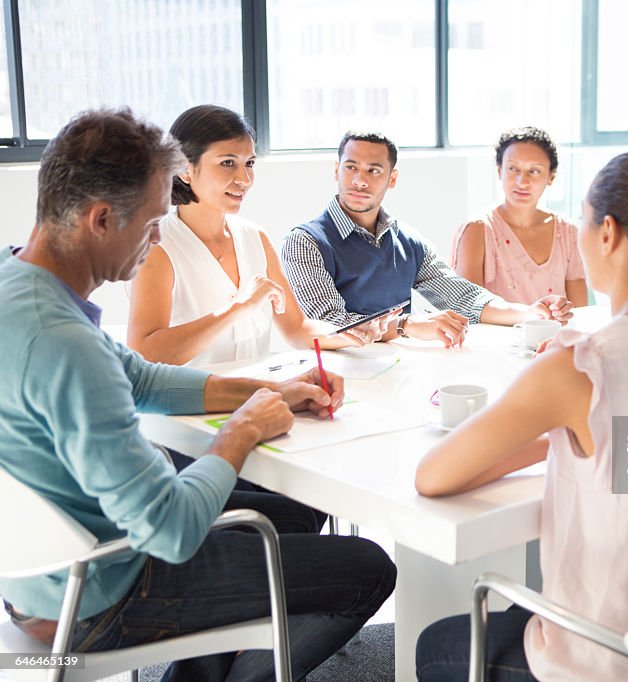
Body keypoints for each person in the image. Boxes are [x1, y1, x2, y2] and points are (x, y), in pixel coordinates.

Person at [0, 108, 396, 681]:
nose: (160, 237)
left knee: (294, 512)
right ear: (102, 219)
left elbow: (144, 378)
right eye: (153, 221)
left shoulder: (20, 284)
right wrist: (241, 434)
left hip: (41, 571)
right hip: (97, 593)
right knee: (367, 567)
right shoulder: (65, 345)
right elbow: (172, 529)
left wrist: (273, 390)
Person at [414, 150, 628, 680]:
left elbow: (433, 476)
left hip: (618, 661)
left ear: (608, 234)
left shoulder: (582, 364)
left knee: (437, 644)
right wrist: (564, 434)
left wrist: (552, 428)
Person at [127, 105, 387, 367]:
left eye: (249, 163)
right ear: (184, 168)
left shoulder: (255, 238)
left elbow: (297, 329)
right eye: (228, 163)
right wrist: (238, 307)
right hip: (190, 403)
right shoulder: (158, 247)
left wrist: (348, 332)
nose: (245, 179)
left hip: (256, 398)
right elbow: (145, 352)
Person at [281, 131, 573, 349]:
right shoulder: (305, 242)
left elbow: (464, 297)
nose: (360, 180)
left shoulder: (408, 240)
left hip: (397, 372)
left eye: (374, 170)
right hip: (339, 379)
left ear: (392, 179)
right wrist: (408, 325)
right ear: (336, 170)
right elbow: (327, 324)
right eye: (351, 167)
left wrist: (530, 312)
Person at [450, 126, 588, 307]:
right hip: (495, 336)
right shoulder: (477, 230)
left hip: (558, 335)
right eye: (513, 169)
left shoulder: (569, 232)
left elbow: (579, 312)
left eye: (535, 171)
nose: (522, 181)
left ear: (551, 177)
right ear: (500, 171)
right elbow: (468, 310)